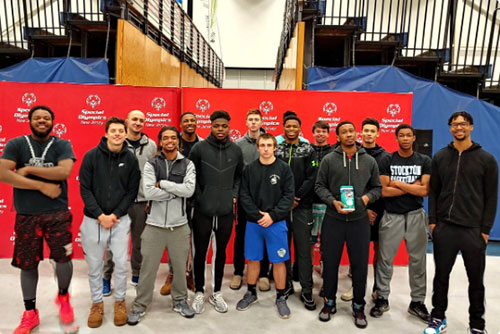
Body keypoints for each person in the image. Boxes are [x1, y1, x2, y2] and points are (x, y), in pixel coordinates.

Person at [0, 105, 77, 334]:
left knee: (63, 260)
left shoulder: (62, 144)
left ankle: (63, 299)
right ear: (29, 120)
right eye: (37, 118)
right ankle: (30, 312)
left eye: (46, 118)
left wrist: (27, 169)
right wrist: (41, 185)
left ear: (52, 121)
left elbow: (64, 172)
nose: (42, 121)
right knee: (27, 264)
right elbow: (3, 173)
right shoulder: (17, 144)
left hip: (57, 214)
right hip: (27, 215)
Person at [425, 111, 498, 334]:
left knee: (476, 281)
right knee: (441, 277)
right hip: (445, 228)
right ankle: (438, 318)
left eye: (463, 124)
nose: (459, 128)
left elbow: (491, 197)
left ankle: (477, 325)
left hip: (473, 231)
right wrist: (434, 223)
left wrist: (485, 231)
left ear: (471, 127)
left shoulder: (486, 159)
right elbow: (434, 192)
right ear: (450, 128)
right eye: (455, 124)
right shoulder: (440, 157)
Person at [315, 121, 381, 329]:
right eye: (344, 132)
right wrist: (331, 201)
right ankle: (329, 303)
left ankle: (359, 306)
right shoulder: (328, 160)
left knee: (360, 265)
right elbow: (319, 186)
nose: (349, 135)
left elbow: (377, 187)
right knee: (331, 264)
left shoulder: (369, 161)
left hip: (359, 221)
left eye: (351, 131)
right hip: (333, 219)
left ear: (356, 133)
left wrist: (365, 200)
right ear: (338, 136)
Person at [128, 126, 196, 325]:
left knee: (180, 269)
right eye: (165, 138)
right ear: (160, 141)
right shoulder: (151, 164)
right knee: (147, 269)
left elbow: (189, 190)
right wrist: (177, 191)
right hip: (154, 226)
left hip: (179, 226)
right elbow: (149, 193)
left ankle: (180, 301)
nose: (169, 141)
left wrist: (164, 184)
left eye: (173, 138)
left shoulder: (188, 164)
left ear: (178, 141)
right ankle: (140, 305)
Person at [79, 116, 141, 328]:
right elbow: (85, 189)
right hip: (93, 220)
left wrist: (115, 215)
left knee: (122, 266)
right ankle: (97, 303)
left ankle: (120, 301)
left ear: (125, 134)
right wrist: (100, 215)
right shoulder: (91, 157)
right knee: (95, 266)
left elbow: (132, 191)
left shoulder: (131, 160)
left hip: (120, 220)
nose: (117, 134)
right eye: (113, 131)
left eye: (120, 131)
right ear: (106, 133)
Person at [370, 123, 431, 323]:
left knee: (418, 261)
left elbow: (424, 190)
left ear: (414, 138)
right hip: (391, 216)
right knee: (385, 259)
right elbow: (384, 191)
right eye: (401, 135)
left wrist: (397, 183)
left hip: (415, 215)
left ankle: (417, 302)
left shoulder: (424, 160)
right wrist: (411, 186)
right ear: (396, 138)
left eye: (409, 135)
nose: (405, 138)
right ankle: (382, 298)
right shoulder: (387, 159)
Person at [189, 110, 244, 314]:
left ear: (229, 127)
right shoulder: (199, 148)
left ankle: (216, 292)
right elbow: (191, 176)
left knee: (220, 254)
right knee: (200, 254)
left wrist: (233, 194)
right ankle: (199, 292)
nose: (220, 130)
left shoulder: (236, 150)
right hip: (203, 211)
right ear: (210, 126)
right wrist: (199, 198)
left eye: (224, 126)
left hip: (225, 212)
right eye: (216, 126)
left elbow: (239, 177)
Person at [236, 133, 295, 319]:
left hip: (276, 223)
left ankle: (280, 296)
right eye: (263, 145)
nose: (266, 148)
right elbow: (243, 195)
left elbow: (288, 196)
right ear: (258, 147)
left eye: (270, 145)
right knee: (253, 259)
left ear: (275, 147)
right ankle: (251, 293)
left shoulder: (284, 169)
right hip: (254, 223)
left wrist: (273, 215)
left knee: (279, 261)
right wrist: (256, 215)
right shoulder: (249, 169)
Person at [103, 110, 157, 294]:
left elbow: (154, 174)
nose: (138, 123)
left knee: (139, 242)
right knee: (113, 243)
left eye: (141, 120)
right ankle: (106, 277)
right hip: (118, 203)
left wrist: (151, 197)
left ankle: (136, 274)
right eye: (134, 119)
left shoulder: (151, 146)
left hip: (142, 202)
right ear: (127, 122)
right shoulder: (115, 142)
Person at [341, 118, 389, 302]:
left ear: (378, 133)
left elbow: (382, 186)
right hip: (358, 209)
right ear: (360, 133)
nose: (369, 134)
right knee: (358, 250)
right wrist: (363, 208)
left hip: (379, 209)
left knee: (379, 250)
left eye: (372, 131)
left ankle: (378, 288)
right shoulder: (353, 153)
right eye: (366, 130)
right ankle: (356, 287)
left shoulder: (385, 157)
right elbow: (349, 184)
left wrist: (372, 207)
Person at [275, 113, 317, 311]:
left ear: (300, 129)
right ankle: (286, 285)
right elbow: (273, 174)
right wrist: (286, 200)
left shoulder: (308, 149)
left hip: (303, 206)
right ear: (283, 129)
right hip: (281, 208)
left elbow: (312, 177)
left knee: (303, 249)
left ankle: (307, 290)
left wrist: (296, 197)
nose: (291, 129)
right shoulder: (277, 149)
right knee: (283, 248)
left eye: (295, 126)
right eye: (288, 126)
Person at [160, 111, 201, 295]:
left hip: (197, 200)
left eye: (193, 120)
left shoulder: (203, 145)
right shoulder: (173, 144)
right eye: (186, 121)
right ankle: (173, 274)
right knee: (174, 239)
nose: (190, 123)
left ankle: (190, 275)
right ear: (181, 124)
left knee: (194, 240)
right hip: (174, 199)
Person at [231, 108, 270, 292]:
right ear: (246, 123)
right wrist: (236, 196)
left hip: (265, 200)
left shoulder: (268, 143)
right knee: (241, 237)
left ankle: (263, 274)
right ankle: (239, 272)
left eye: (257, 119)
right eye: (251, 119)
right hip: (244, 200)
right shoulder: (238, 145)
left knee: (263, 236)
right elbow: (236, 174)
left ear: (262, 122)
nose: (254, 122)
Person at [310, 121, 333, 270]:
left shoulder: (334, 152)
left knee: (327, 240)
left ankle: (325, 267)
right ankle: (308, 268)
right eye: (318, 131)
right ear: (313, 133)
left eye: (324, 131)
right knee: (309, 240)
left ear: (328, 134)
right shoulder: (307, 150)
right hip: (309, 203)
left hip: (328, 204)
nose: (321, 134)